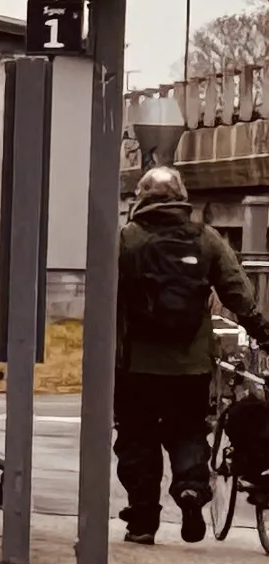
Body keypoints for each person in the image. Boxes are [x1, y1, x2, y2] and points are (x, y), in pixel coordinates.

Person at [111, 166, 261, 542]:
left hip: (136, 364)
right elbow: (237, 292)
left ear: (142, 197)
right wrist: (260, 329)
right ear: (181, 196)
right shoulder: (206, 238)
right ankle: (191, 490)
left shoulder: (126, 240)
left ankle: (143, 521)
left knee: (137, 436)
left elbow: (101, 294)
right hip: (192, 365)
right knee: (188, 431)